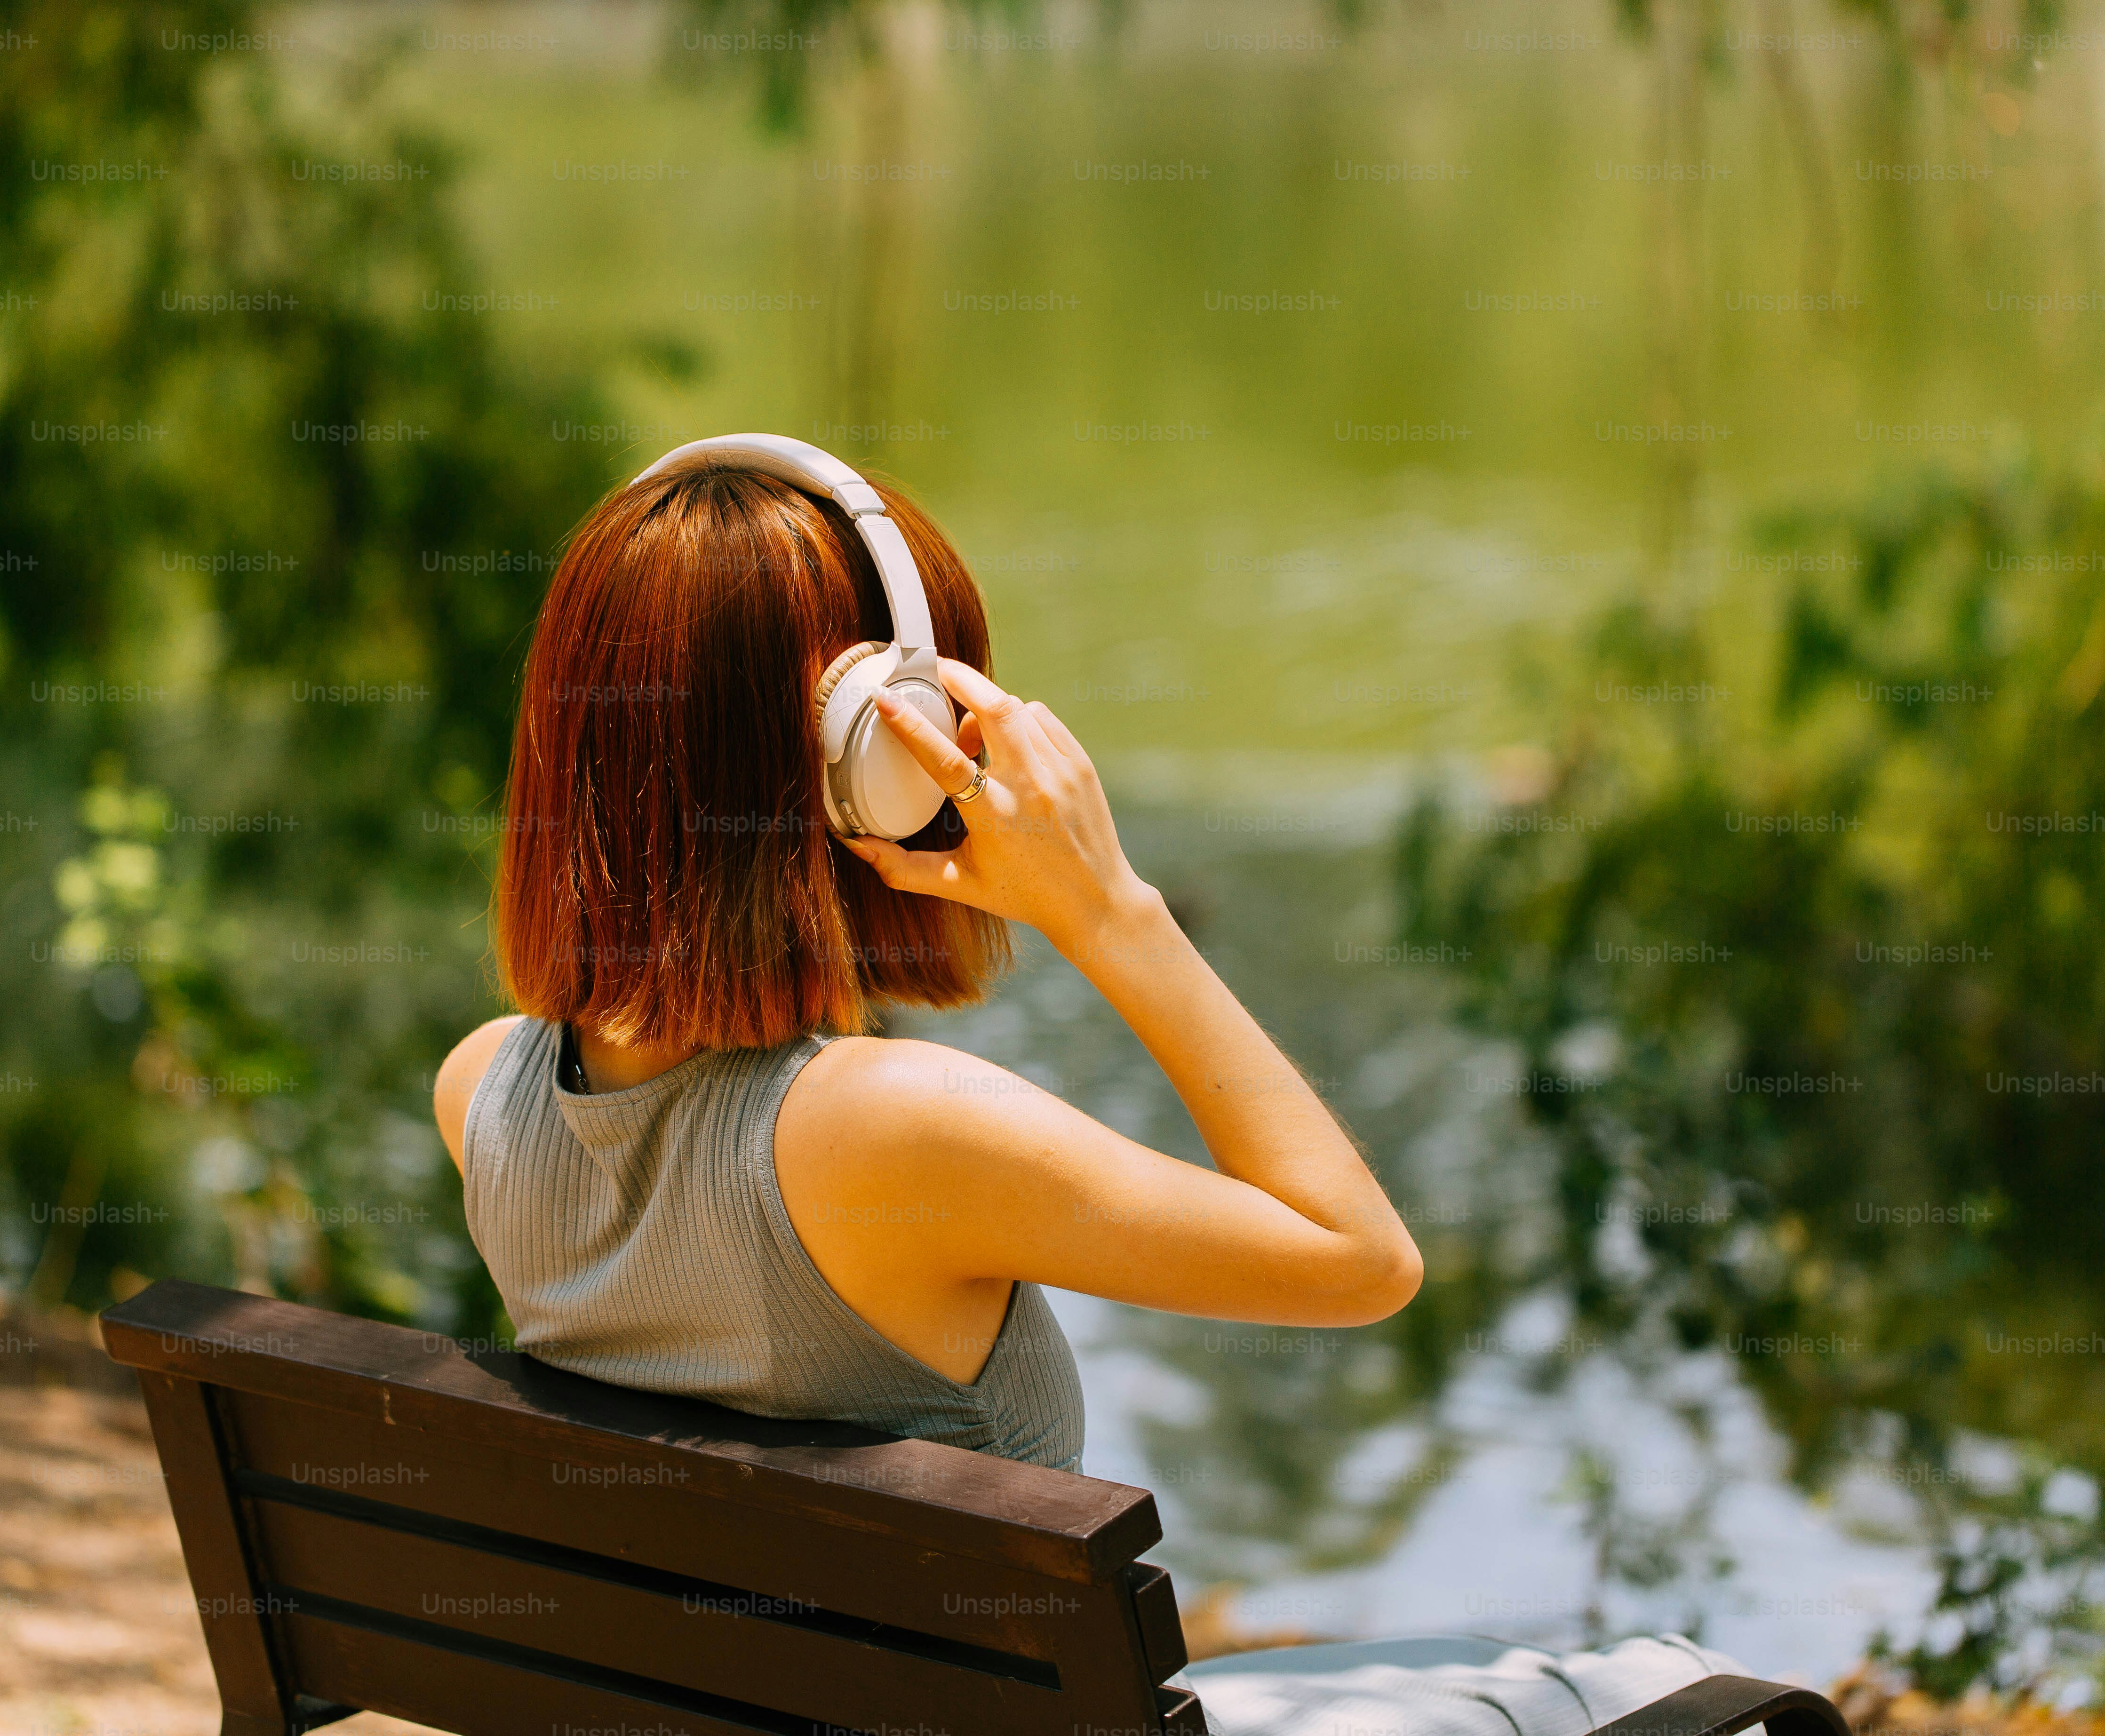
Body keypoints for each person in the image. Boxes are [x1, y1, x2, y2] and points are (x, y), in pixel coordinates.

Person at [431, 446, 1753, 1736]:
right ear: (877, 764)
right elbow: (1362, 1258)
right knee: (1661, 1685)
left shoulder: (483, 1092)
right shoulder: (891, 1129)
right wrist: (1113, 911)